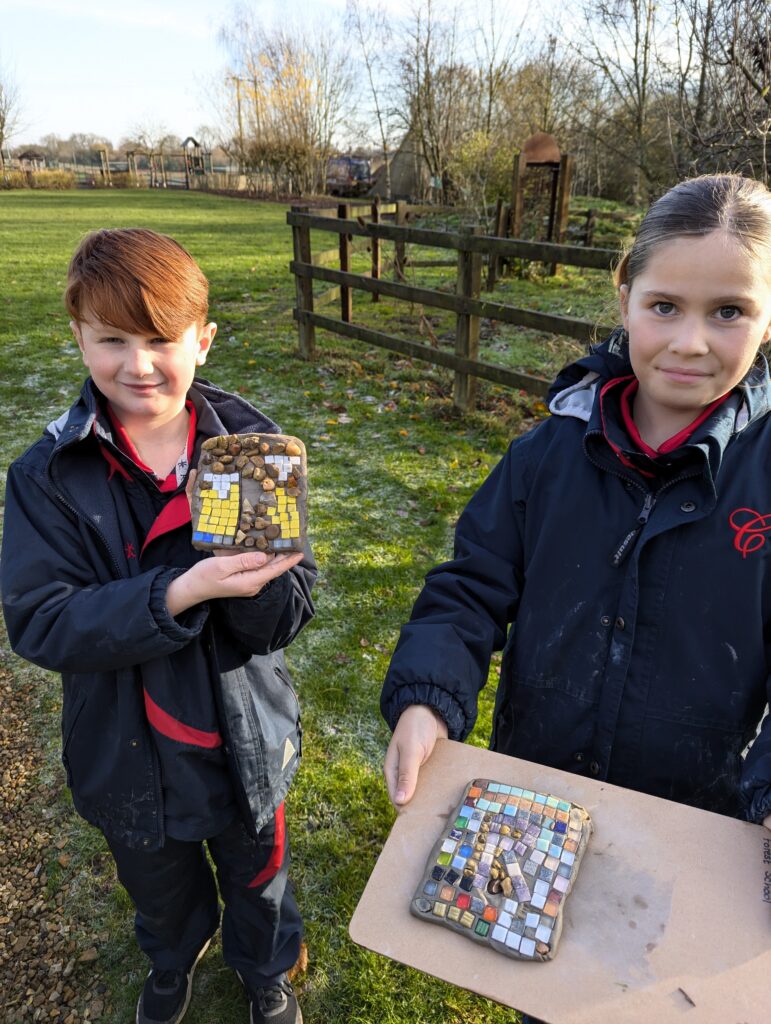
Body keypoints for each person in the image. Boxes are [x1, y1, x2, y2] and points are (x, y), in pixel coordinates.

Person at [382, 173, 771, 829]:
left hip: (692, 822)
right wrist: (428, 697)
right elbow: (468, 590)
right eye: (664, 307)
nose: (689, 342)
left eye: (728, 312)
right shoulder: (543, 457)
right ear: (625, 299)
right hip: (536, 793)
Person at [1, 228, 316, 1024]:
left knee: (259, 875)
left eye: (160, 340)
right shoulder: (50, 474)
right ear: (78, 336)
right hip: (124, 748)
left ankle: (265, 968)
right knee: (157, 884)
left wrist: (250, 587)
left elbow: (287, 614)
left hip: (240, 735)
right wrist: (179, 591)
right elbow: (41, 622)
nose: (137, 365)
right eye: (111, 340)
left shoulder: (246, 451)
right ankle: (174, 961)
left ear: (201, 342)